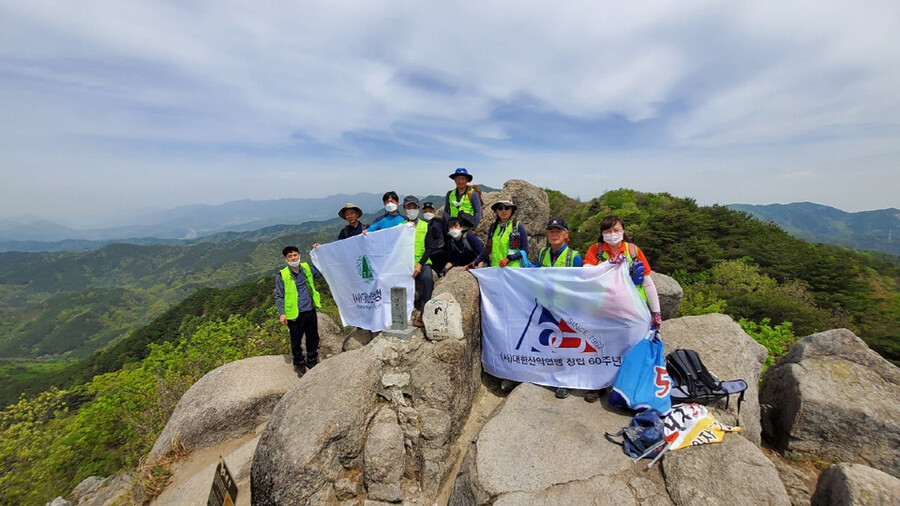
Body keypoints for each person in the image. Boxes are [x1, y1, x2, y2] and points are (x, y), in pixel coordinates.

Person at [583, 215, 662, 328]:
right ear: (602, 233)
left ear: (623, 231)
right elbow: (586, 271)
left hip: (633, 310)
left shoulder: (633, 251)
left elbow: (647, 283)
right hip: (603, 311)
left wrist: (656, 313)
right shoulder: (596, 250)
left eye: (616, 230)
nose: (612, 234)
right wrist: (608, 263)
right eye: (608, 231)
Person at [274, 246, 322, 377]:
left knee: (313, 336)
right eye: (290, 256)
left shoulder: (306, 268)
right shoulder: (282, 275)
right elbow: (279, 296)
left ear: (299, 255)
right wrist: (282, 313)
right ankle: (299, 363)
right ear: (286, 259)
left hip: (310, 309)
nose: (293, 258)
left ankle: (312, 360)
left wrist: (321, 252)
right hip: (294, 313)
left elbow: (321, 272)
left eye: (295, 255)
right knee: (296, 339)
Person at [404, 196, 445, 326]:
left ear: (417, 209)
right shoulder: (400, 227)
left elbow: (429, 248)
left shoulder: (425, 225)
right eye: (409, 207)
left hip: (423, 262)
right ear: (404, 209)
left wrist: (420, 264)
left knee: (428, 278)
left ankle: (424, 312)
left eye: (414, 207)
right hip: (405, 264)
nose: (411, 210)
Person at [485, 199, 529, 267]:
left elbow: (525, 250)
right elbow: (487, 249)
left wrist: (508, 259)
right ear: (496, 211)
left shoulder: (518, 226)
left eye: (507, 208)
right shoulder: (493, 227)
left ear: (511, 210)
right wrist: (476, 262)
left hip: (513, 270)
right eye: (500, 208)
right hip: (497, 269)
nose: (503, 211)